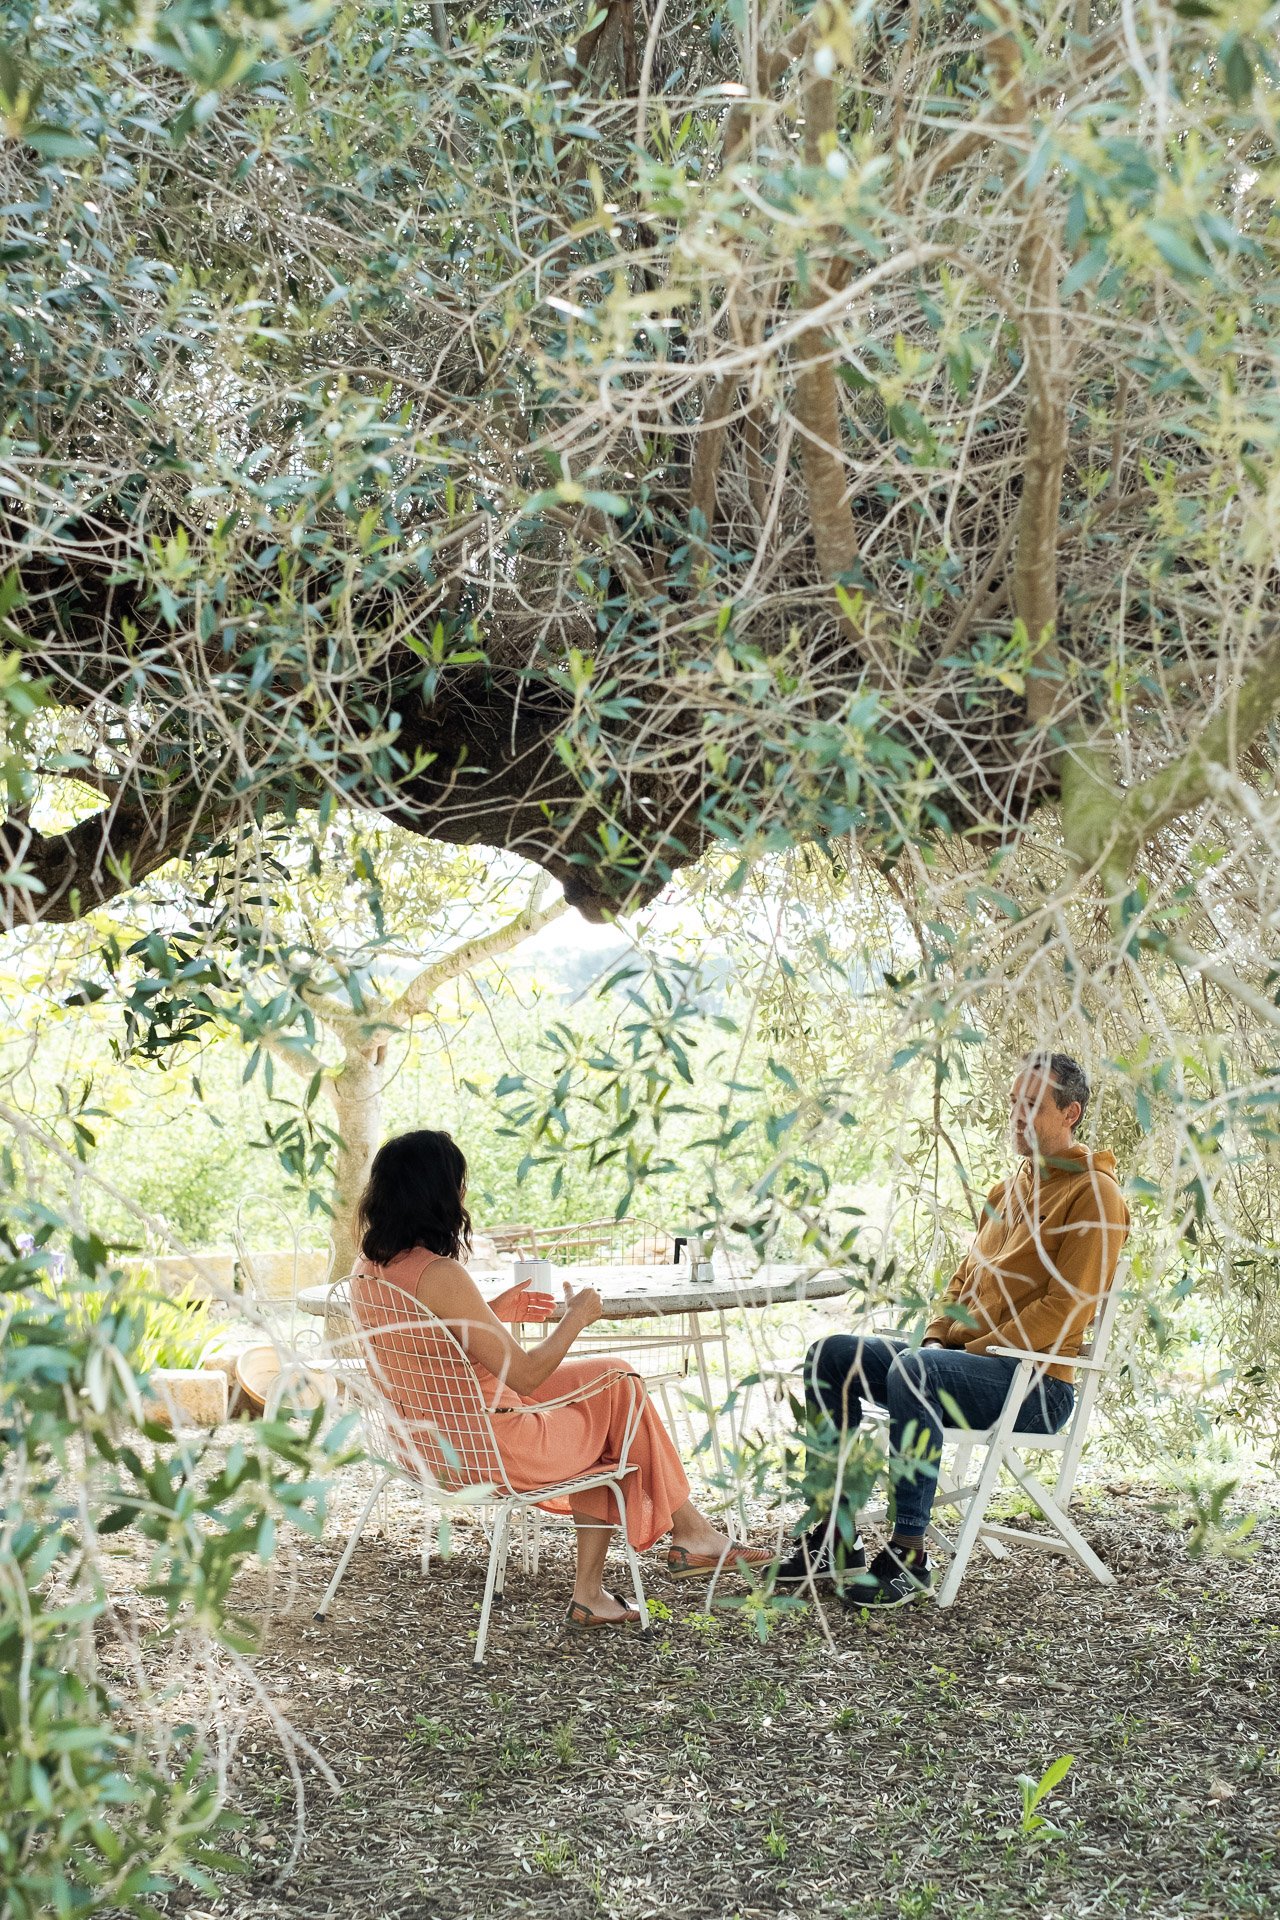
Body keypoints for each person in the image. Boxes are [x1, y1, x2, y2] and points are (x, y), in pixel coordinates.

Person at [349, 1129, 771, 1630]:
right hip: (490, 1448)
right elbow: (527, 1376)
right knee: (618, 1414)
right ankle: (663, 1550)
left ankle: (676, 1544)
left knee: (616, 1379)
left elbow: (429, 1344)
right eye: (459, 1185)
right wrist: (577, 1317)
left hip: (426, 1441)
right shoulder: (440, 1274)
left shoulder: (367, 1268)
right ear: (438, 1193)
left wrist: (492, 1310)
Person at [774, 1052, 1130, 1607]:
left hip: (1035, 1386)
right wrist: (939, 1336)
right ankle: (836, 1536)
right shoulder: (1005, 1192)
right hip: (957, 1368)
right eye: (1013, 1102)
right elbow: (963, 1282)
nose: (1016, 1115)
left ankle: (909, 1555)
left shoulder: (1095, 1195)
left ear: (1071, 1113)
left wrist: (972, 1351)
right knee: (832, 1355)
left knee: (918, 1371)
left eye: (1032, 1104)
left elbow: (1068, 1307)